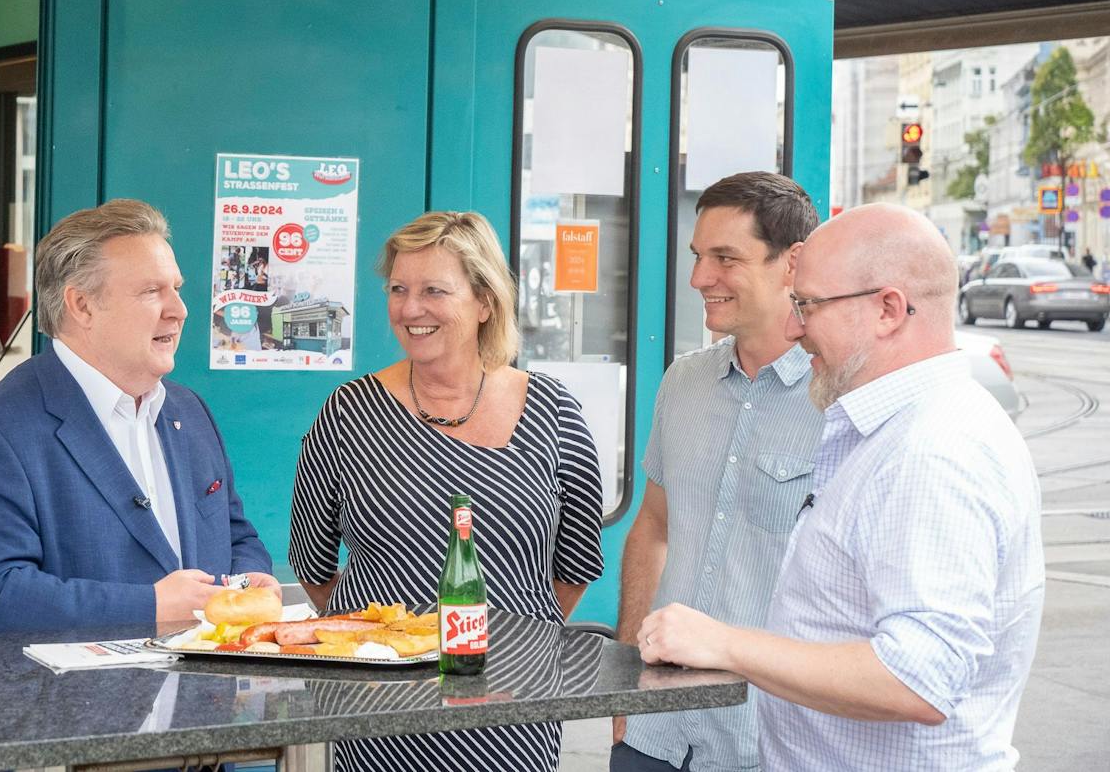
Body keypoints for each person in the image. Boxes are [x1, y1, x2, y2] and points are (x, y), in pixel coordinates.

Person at [638, 204, 1044, 772]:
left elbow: (919, 679)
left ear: (888, 310)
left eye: (809, 306)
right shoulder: (892, 427)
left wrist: (727, 644)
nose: (792, 327)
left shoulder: (932, 450)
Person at [288, 211, 604, 772]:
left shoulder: (554, 411)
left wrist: (508, 648)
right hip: (378, 713)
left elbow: (575, 566)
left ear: (485, 301)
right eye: (399, 290)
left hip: (513, 714)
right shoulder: (348, 412)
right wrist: (389, 646)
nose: (411, 309)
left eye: (435, 290)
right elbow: (314, 570)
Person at [0, 199, 275, 636]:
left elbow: (236, 534)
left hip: (199, 699)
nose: (180, 309)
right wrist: (149, 605)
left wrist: (249, 581)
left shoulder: (189, 411)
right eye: (152, 291)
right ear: (82, 306)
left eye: (177, 288)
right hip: (73, 703)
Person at [614, 173, 821, 772]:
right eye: (698, 256)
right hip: (652, 735)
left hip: (766, 742)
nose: (699, 278)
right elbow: (653, 527)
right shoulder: (683, 381)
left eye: (725, 258)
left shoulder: (839, 402)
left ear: (793, 264)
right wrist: (629, 676)